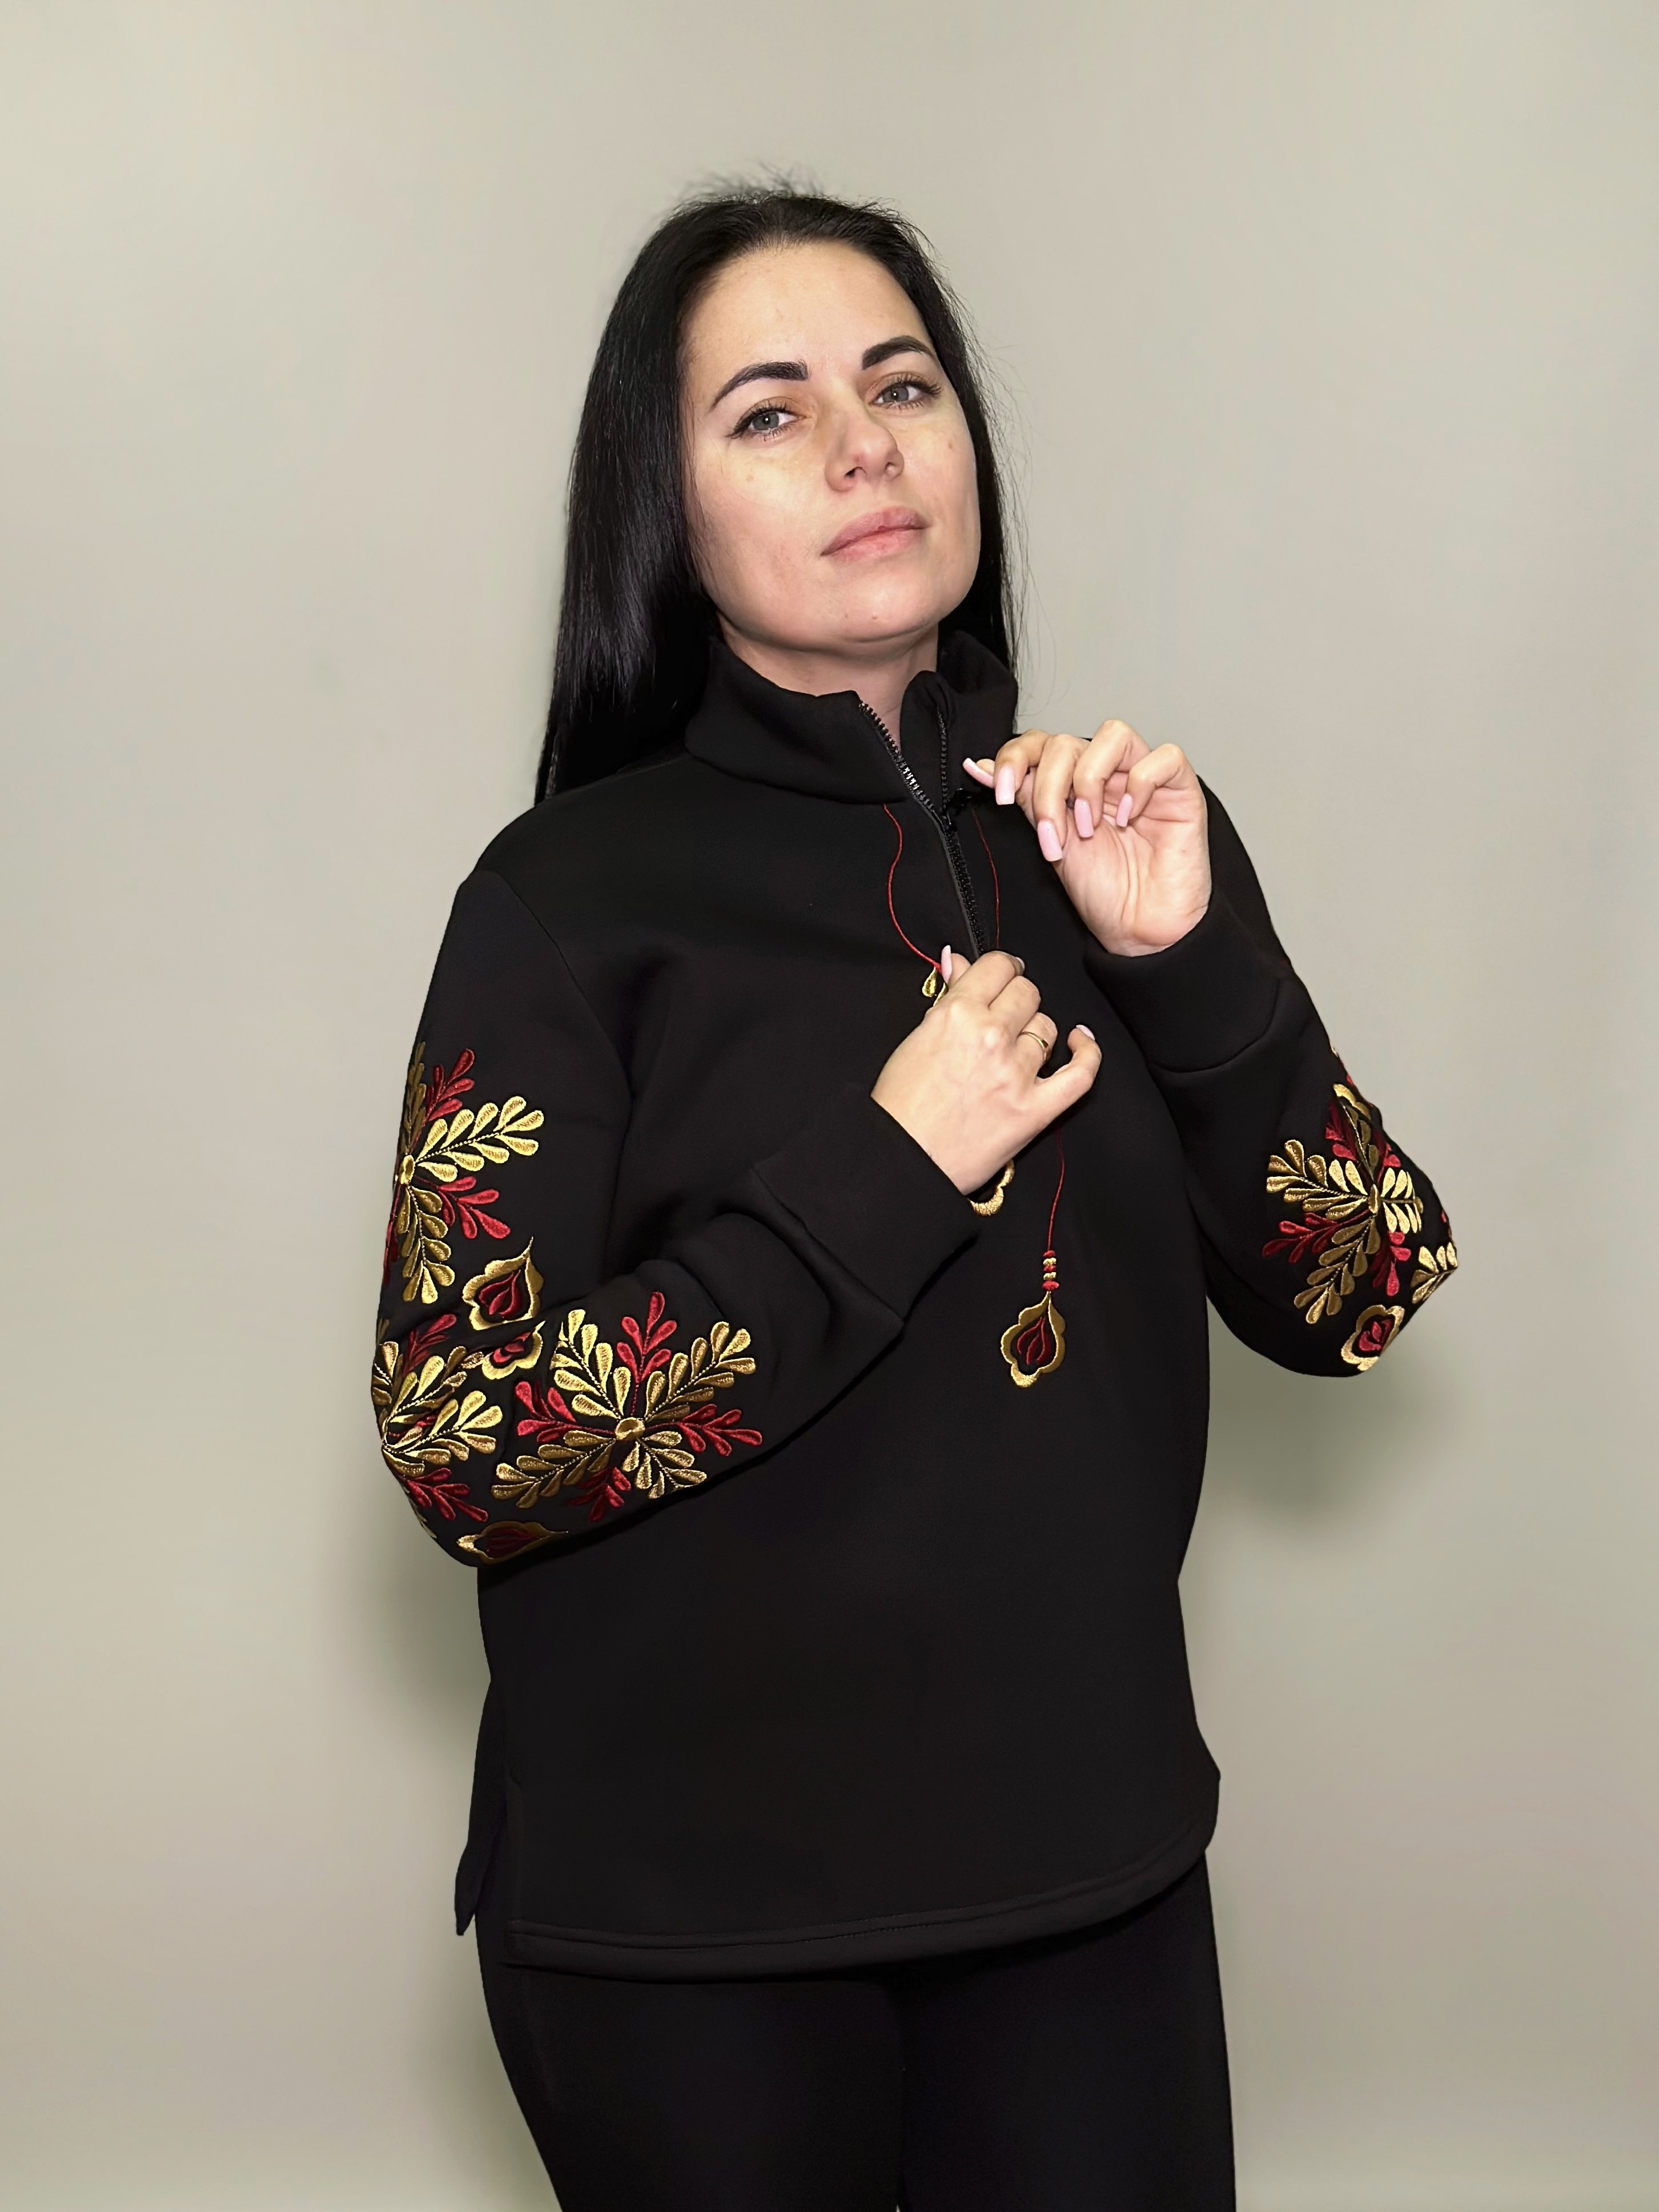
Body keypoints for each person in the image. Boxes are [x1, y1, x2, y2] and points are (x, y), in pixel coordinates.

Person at [371, 183, 1457, 2211]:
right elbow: (463, 1442)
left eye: (903, 386)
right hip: (686, 1929)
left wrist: (1188, 968)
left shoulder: (1115, 833)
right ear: (667, 511)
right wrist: (880, 1169)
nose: (863, 447)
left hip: (1087, 1880)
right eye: (769, 412)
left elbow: (1365, 1282)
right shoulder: (562, 901)